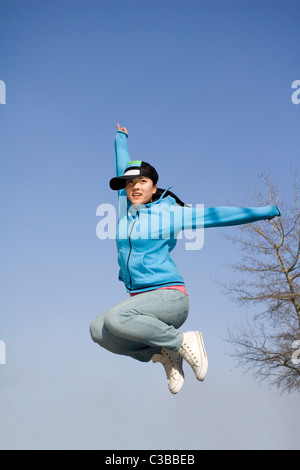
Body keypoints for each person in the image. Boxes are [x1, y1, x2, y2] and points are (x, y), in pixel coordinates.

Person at [90, 124, 281, 394]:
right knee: (99, 330)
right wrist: (120, 138)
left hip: (171, 299)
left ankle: (182, 340)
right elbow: (123, 167)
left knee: (115, 319)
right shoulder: (126, 208)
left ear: (154, 188)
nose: (134, 187)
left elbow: (216, 216)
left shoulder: (170, 214)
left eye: (141, 182)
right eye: (130, 183)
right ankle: (165, 352)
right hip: (143, 305)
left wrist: (264, 212)